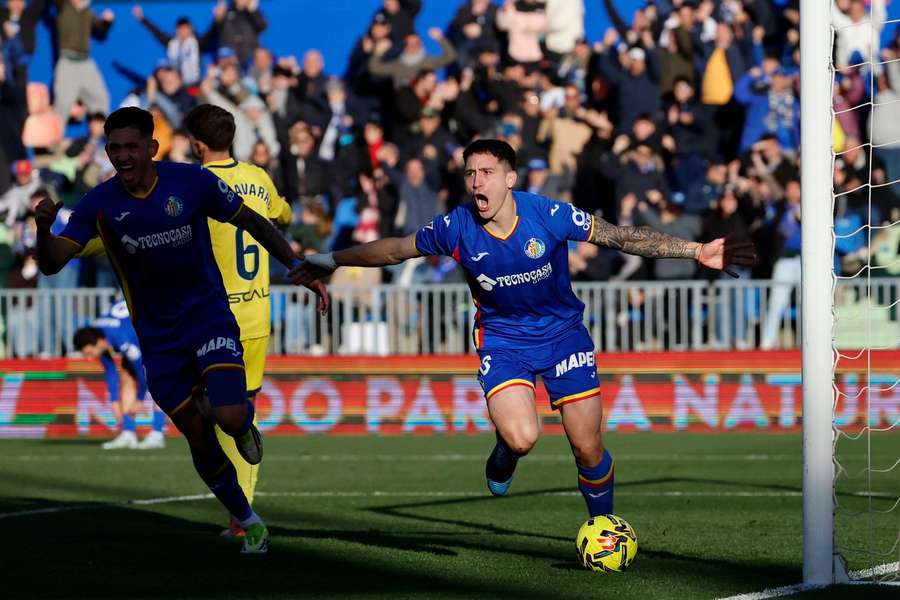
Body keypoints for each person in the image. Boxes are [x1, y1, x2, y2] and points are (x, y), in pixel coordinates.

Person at [291, 139, 755, 518]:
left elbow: (619, 235)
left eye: (486, 173)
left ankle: (603, 524)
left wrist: (696, 251)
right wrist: (331, 260)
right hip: (504, 340)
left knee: (588, 447)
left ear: (509, 179)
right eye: (470, 173)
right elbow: (395, 249)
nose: (476, 182)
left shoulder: (547, 215)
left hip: (564, 337)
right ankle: (505, 452)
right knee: (522, 437)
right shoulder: (457, 227)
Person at [35, 107, 328, 554]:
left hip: (208, 316)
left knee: (230, 416)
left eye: (132, 146)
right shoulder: (99, 203)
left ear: (152, 147)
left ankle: (241, 424)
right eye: (115, 148)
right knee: (196, 432)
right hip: (157, 339)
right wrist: (42, 228)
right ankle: (248, 521)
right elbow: (53, 262)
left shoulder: (191, 182)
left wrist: (294, 265)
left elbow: (250, 220)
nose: (123, 156)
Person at [183, 103, 291, 538]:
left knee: (212, 410)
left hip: (215, 317)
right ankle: (242, 513)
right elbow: (282, 215)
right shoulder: (258, 178)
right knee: (241, 408)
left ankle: (240, 514)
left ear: (197, 144)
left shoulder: (197, 184)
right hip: (257, 313)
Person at [73, 300, 167, 450]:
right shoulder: (99, 335)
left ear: (98, 342)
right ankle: (128, 433)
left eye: (90, 352)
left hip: (159, 336)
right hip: (140, 335)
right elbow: (110, 372)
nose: (90, 358)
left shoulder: (120, 338)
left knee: (159, 378)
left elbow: (142, 372)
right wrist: (114, 401)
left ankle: (157, 434)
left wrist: (139, 400)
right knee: (126, 377)